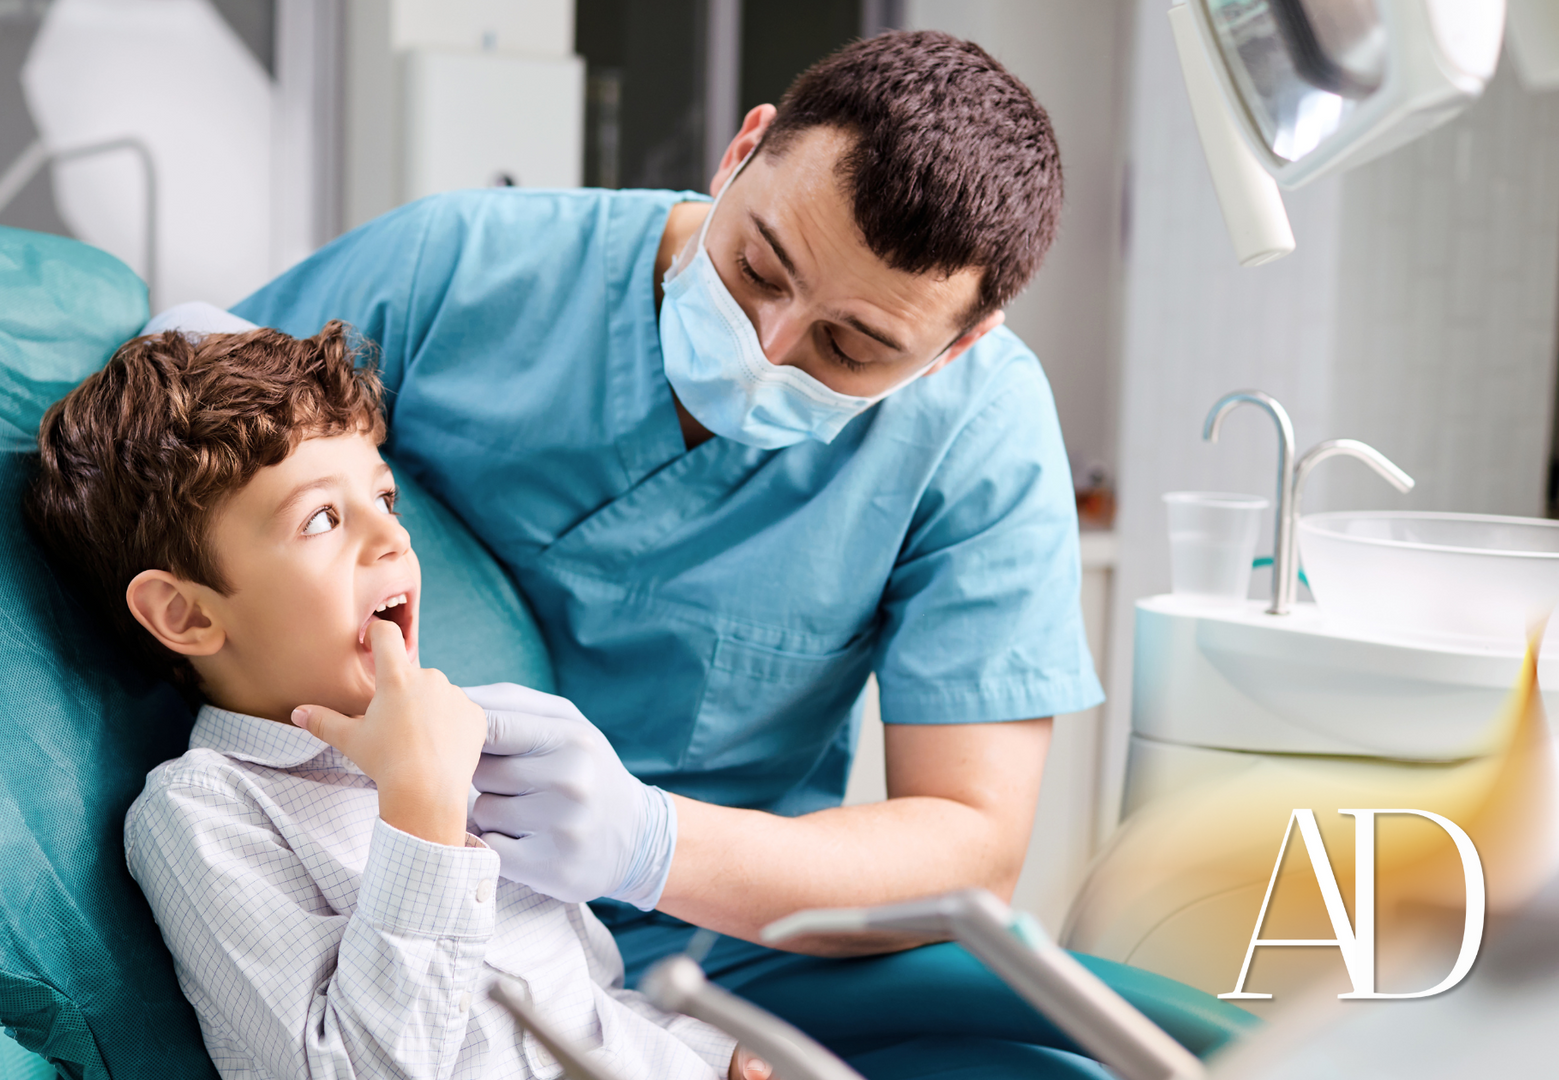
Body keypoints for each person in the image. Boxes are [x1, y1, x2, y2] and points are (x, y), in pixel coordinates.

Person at [232, 31, 1252, 1078]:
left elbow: (969, 842)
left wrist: (650, 842)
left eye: (850, 347)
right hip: (399, 888)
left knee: (1131, 1052)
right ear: (741, 150)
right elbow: (195, 433)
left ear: (958, 346)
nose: (767, 345)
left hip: (719, 943)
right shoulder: (458, 268)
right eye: (759, 265)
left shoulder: (975, 428)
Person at [22, 323, 772, 1079]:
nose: (391, 537)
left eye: (384, 496)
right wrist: (422, 812)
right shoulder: (204, 811)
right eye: (321, 518)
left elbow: (584, 1002)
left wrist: (707, 1055)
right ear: (187, 614)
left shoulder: (464, 747)